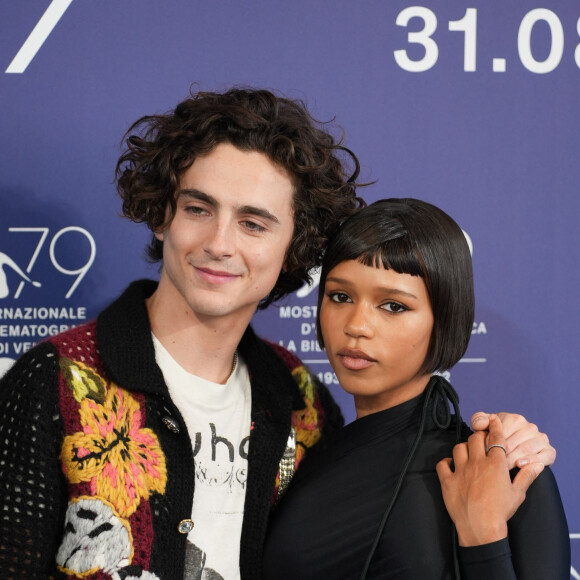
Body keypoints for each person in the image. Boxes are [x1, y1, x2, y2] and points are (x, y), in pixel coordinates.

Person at [0, 90, 556, 580]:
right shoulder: (58, 381)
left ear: (295, 244)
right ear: (161, 215)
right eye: (198, 208)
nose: (220, 243)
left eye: (253, 222)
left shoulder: (300, 401)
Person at [263, 198, 570, 579]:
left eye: (393, 306)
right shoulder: (305, 450)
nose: (357, 325)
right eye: (340, 297)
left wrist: (483, 538)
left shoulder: (506, 469)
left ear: (446, 319)